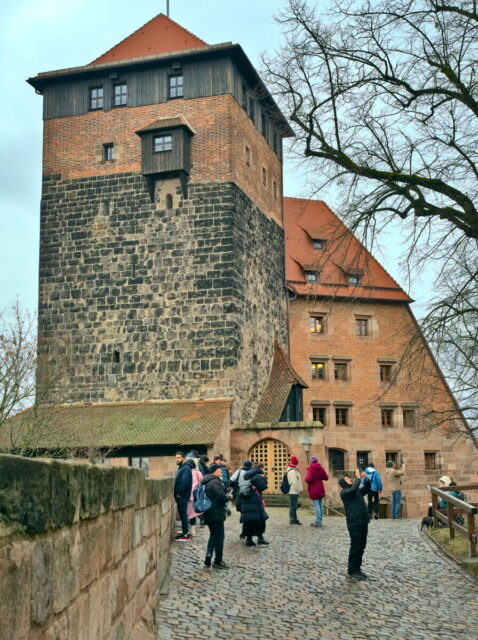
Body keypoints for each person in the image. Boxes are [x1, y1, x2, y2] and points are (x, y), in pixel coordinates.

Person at [339, 469, 371, 581]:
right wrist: (358, 478)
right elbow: (353, 490)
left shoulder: (355, 490)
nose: (349, 479)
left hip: (363, 521)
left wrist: (366, 479)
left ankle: (357, 569)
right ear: (343, 483)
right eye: (347, 479)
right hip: (354, 523)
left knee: (362, 546)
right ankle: (352, 570)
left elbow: (366, 489)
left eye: (349, 478)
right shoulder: (345, 493)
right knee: (355, 546)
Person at [201, 463, 232, 569]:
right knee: (219, 537)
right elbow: (220, 497)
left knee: (213, 535)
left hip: (208, 512)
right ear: (214, 471)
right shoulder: (215, 481)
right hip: (216, 513)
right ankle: (218, 561)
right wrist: (228, 496)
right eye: (219, 470)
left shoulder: (207, 480)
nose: (221, 471)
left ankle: (208, 558)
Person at [237, 466, 269, 546]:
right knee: (260, 519)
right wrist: (265, 479)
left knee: (249, 520)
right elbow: (262, 486)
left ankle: (249, 539)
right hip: (255, 501)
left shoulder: (247, 476)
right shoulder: (257, 476)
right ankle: (260, 538)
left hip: (247, 501)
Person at [174, 451, 193, 541]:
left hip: (182, 496)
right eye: (176, 457)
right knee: (182, 514)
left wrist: (178, 493)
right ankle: (184, 532)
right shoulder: (182, 467)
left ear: (183, 458)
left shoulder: (185, 468)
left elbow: (184, 482)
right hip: (182, 495)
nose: (177, 459)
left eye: (179, 457)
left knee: (183, 514)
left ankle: (185, 534)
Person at [305, 455, 328, 527]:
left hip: (314, 489)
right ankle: (320, 521)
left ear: (311, 461)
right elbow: (326, 477)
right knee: (320, 505)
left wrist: (306, 480)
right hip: (320, 487)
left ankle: (318, 522)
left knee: (316, 506)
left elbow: (309, 479)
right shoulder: (321, 468)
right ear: (317, 461)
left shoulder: (310, 469)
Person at [186, 457, 203, 536]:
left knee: (187, 513)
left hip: (187, 495)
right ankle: (193, 530)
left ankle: (187, 529)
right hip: (195, 496)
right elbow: (202, 483)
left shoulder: (186, 472)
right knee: (193, 514)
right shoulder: (198, 473)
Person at [287, 455, 303, 525]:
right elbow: (294, 482)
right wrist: (299, 489)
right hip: (293, 491)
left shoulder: (293, 470)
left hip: (294, 491)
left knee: (294, 506)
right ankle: (292, 519)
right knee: (293, 506)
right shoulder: (292, 471)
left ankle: (295, 519)